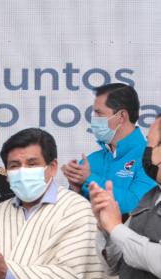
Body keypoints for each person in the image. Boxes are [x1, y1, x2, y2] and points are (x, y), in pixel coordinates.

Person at [0, 128, 107, 279]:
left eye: (32, 164)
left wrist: (6, 272)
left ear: (53, 167)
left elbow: (72, 277)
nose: (23, 171)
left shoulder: (77, 210)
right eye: (14, 166)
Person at [91, 113, 161, 279]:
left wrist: (115, 228)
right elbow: (114, 266)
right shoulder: (150, 197)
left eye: (151, 144)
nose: (145, 152)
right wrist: (105, 228)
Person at [62, 83, 156, 218]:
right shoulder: (90, 161)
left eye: (99, 113)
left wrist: (89, 180)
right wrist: (75, 190)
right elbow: (70, 216)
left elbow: (137, 206)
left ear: (121, 116)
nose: (94, 120)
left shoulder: (151, 157)